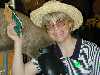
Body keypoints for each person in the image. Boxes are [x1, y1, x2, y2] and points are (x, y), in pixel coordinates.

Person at [7, 1, 100, 75]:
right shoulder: (46, 54)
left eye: (60, 22)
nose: (55, 28)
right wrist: (17, 42)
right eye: (50, 25)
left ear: (70, 23)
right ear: (46, 30)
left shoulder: (91, 50)